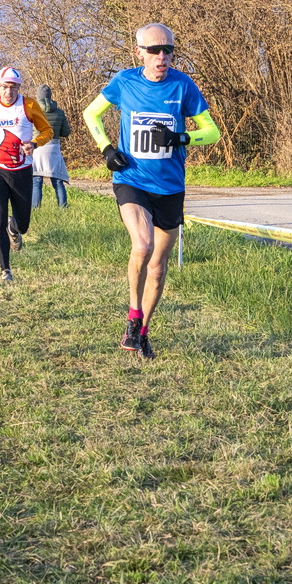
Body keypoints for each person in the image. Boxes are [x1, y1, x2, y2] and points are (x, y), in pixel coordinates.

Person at [83, 23, 221, 358]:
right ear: (139, 53)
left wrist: (181, 138)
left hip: (170, 187)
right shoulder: (124, 82)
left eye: (168, 50)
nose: (162, 57)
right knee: (142, 245)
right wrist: (106, 149)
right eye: (154, 50)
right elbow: (91, 114)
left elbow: (212, 132)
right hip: (132, 179)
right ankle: (133, 316)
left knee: (157, 268)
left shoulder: (182, 85)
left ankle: (142, 333)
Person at [0, 67, 52, 283]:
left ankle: (13, 227)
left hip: (22, 170)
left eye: (13, 87)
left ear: (19, 87)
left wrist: (34, 143)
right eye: (5, 87)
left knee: (23, 224)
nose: (9, 92)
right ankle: (5, 270)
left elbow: (47, 131)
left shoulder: (29, 105)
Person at [31, 84, 71, 208]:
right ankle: (63, 207)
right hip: (54, 147)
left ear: (38, 96)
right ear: (50, 95)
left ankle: (35, 208)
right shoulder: (59, 112)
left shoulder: (33, 111)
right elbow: (66, 132)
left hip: (37, 146)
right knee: (58, 180)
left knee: (37, 180)